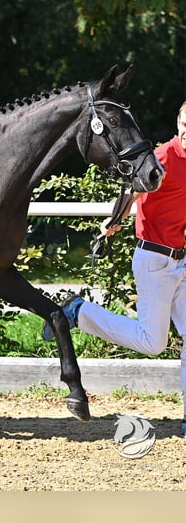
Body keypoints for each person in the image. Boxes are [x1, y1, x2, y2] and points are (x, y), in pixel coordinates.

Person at [43, 100, 186, 436]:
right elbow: (133, 189)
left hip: (181, 260)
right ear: (178, 122)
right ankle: (80, 312)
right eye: (184, 122)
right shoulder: (165, 156)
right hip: (154, 260)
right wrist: (115, 220)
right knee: (153, 343)